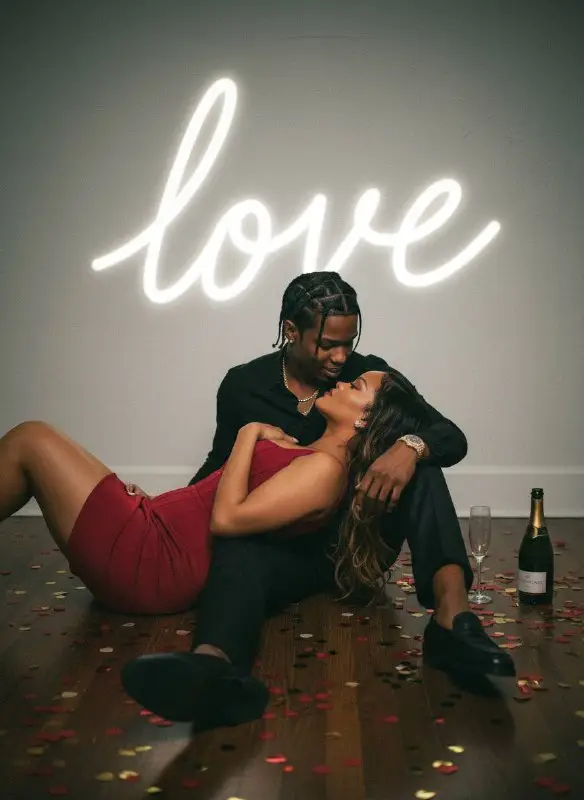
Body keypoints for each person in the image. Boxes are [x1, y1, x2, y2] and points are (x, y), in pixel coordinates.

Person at [121, 272, 515, 730]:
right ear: (291, 331)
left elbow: (448, 434)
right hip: (291, 549)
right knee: (238, 547)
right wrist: (164, 510)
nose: (340, 358)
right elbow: (220, 464)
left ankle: (453, 619)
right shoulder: (244, 386)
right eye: (328, 344)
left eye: (348, 343)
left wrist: (409, 446)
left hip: (357, 540)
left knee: (421, 467)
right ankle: (213, 666)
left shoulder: (366, 376)